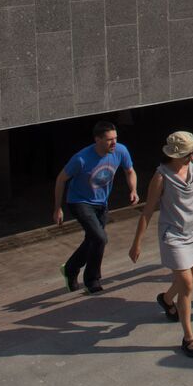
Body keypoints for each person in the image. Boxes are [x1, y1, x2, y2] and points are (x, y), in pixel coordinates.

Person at [128, 131, 193, 357]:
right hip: (173, 236)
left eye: (192, 151)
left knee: (188, 281)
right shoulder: (161, 177)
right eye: (186, 153)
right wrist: (137, 243)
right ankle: (188, 338)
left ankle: (166, 300)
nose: (191, 155)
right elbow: (147, 212)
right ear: (174, 155)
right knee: (187, 284)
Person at [55, 121, 138, 294]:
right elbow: (61, 179)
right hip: (79, 202)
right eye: (109, 140)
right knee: (100, 238)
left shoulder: (120, 151)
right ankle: (92, 280)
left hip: (102, 203)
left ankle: (70, 268)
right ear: (97, 140)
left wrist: (133, 190)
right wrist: (58, 208)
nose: (114, 143)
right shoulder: (81, 159)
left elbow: (129, 171)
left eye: (115, 138)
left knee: (93, 239)